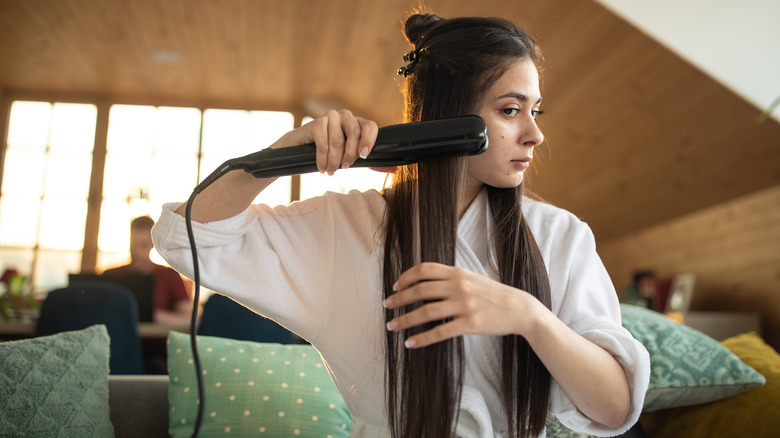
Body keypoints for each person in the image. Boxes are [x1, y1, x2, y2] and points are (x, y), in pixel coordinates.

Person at [152, 13, 650, 437]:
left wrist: (529, 315)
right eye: (510, 110)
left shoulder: (559, 236)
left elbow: (615, 406)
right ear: (449, 118)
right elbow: (187, 238)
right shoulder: (343, 227)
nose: (535, 133)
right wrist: (282, 154)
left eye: (534, 111)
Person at [105, 215, 192, 326]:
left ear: (152, 244)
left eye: (143, 245)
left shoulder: (169, 275)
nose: (137, 252)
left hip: (155, 343)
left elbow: (190, 319)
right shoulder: (111, 275)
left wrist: (150, 315)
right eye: (133, 245)